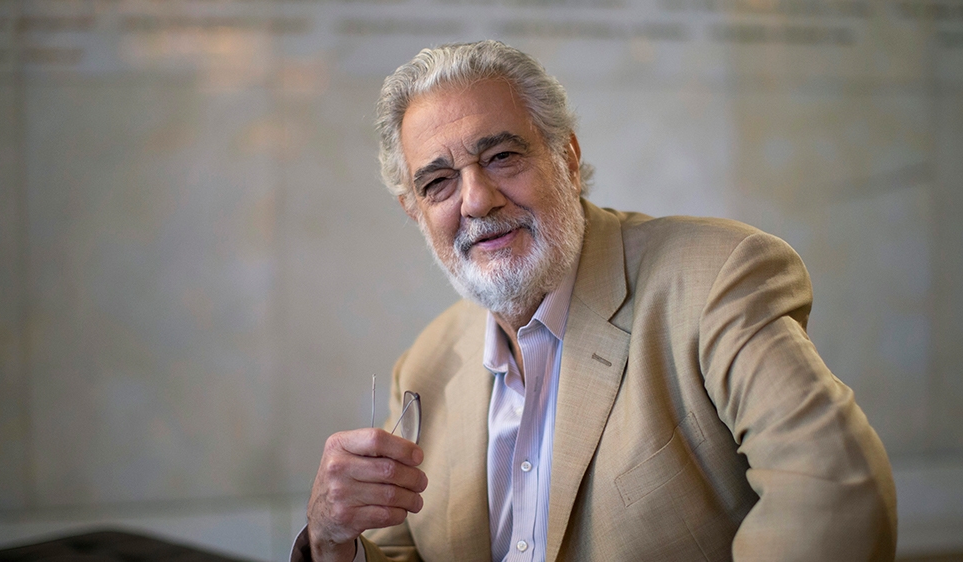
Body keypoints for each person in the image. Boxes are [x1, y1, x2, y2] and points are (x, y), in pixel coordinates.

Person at [293, 40, 897, 562]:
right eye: (438, 182)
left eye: (501, 156)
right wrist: (331, 540)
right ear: (416, 212)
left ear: (569, 158)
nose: (475, 200)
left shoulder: (717, 278)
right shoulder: (423, 366)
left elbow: (834, 491)